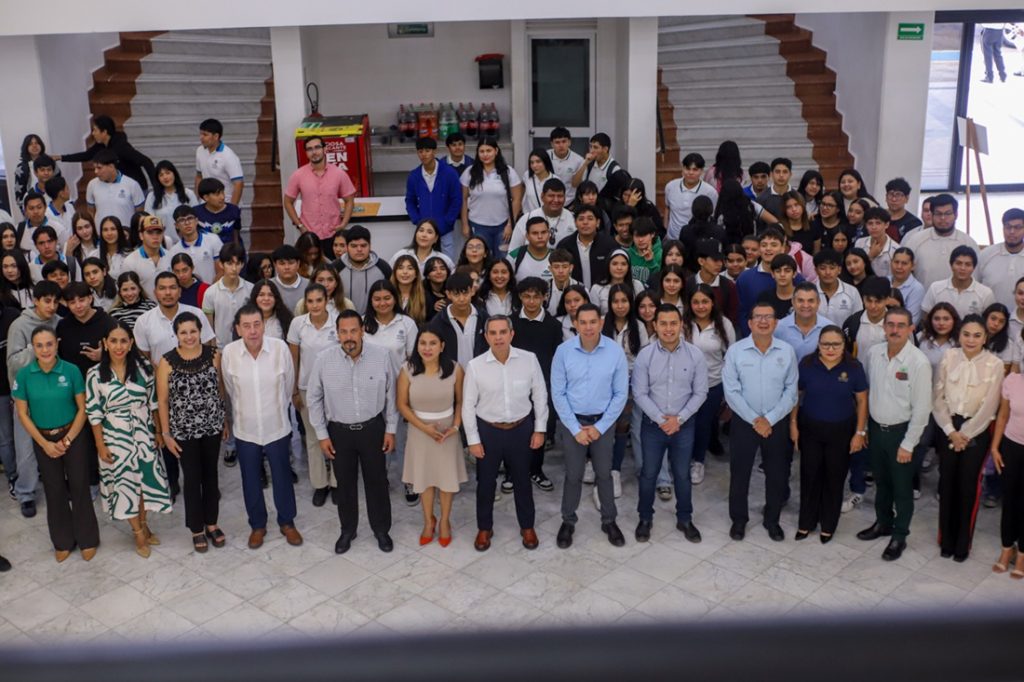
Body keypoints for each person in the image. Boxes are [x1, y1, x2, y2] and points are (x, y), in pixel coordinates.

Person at [307, 309, 398, 554]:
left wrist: (390, 429)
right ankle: (348, 530)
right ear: (337, 334)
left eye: (353, 331)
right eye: (344, 332)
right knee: (345, 484)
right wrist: (322, 435)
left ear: (362, 331)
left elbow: (392, 395)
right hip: (339, 432)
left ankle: (381, 529)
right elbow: (313, 398)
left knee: (377, 482)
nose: (349, 337)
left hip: (373, 429)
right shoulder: (323, 360)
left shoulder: (382, 356)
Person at [461, 316, 548, 551]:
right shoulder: (475, 366)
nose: (498, 337)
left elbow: (540, 395)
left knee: (522, 481)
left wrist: (540, 429)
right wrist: (473, 440)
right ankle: (484, 528)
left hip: (521, 429)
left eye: (502, 332)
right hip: (488, 431)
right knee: (485, 483)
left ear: (511, 334)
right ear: (486, 336)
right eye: (493, 333)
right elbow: (467, 406)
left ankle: (527, 526)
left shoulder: (529, 360)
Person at [13, 327, 98, 562]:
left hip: (73, 434)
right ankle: (62, 541)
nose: (45, 350)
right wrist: (44, 444)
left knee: (79, 486)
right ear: (33, 348)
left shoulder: (71, 370)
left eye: (49, 344)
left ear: (57, 344)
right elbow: (22, 414)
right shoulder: (25, 375)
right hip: (43, 439)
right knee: (54, 488)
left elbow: (83, 408)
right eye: (39, 345)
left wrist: (68, 439)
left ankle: (88, 539)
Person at [86, 321, 171, 558]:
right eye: (113, 341)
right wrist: (100, 444)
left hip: (143, 434)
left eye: (123, 341)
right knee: (125, 486)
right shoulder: (95, 374)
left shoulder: (144, 368)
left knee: (144, 483)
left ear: (131, 343)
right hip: (115, 438)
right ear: (105, 343)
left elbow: (154, 402)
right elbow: (94, 413)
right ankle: (138, 533)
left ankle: (144, 523)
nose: (119, 346)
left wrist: (158, 432)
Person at [221, 304, 302, 549]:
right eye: (246, 326)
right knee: (251, 480)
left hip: (276, 426)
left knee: (282, 476)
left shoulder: (279, 349)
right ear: (238, 329)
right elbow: (230, 389)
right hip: (246, 430)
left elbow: (288, 386)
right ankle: (258, 525)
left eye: (257, 324)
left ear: (264, 325)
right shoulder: (229, 353)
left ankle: (287, 522)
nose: (253, 331)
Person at [856, 307, 932, 561]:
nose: (895, 330)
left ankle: (900, 535)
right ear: (884, 327)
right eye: (890, 324)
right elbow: (868, 392)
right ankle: (883, 523)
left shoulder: (918, 362)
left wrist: (909, 444)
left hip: (902, 433)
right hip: (877, 430)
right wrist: (865, 428)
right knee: (882, 482)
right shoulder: (874, 353)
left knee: (902, 488)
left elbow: (922, 408)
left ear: (911, 328)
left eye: (901, 325)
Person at [551, 303, 629, 549]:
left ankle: (609, 520)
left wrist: (600, 427)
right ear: (575, 324)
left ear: (601, 322)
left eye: (592, 322)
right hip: (572, 422)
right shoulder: (563, 352)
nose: (588, 327)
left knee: (604, 473)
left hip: (602, 423)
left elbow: (620, 394)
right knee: (573, 475)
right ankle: (568, 521)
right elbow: (558, 393)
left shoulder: (615, 352)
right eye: (582, 322)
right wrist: (575, 429)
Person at [722, 301, 799, 541]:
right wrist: (755, 419)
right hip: (745, 422)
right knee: (740, 473)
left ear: (776, 323)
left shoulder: (786, 351)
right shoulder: (736, 351)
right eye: (758, 317)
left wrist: (770, 419)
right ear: (749, 322)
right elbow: (731, 392)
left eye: (768, 317)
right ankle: (739, 520)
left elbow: (791, 391)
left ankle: (772, 520)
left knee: (777, 474)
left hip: (776, 423)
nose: (763, 321)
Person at [632, 303, 708, 542]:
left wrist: (679, 419)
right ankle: (645, 518)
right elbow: (639, 393)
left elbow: (701, 392)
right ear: (655, 325)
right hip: (652, 426)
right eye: (663, 323)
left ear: (681, 325)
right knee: (648, 473)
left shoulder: (695, 355)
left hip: (684, 426)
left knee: (682, 474)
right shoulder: (645, 355)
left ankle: (685, 519)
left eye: (673, 323)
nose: (668, 329)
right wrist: (660, 419)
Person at [932, 314, 1002, 561]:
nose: (971, 340)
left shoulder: (995, 364)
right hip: (948, 426)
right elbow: (937, 397)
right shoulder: (949, 357)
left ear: (985, 338)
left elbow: (990, 405)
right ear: (959, 335)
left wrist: (965, 434)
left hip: (977, 430)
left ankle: (963, 543)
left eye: (977, 335)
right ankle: (946, 539)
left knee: (968, 486)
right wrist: (951, 431)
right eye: (966, 334)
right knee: (947, 482)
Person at [156, 313, 227, 553]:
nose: (189, 337)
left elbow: (220, 389)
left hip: (212, 427)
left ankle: (212, 523)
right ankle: (196, 528)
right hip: (183, 432)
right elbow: (162, 400)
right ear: (176, 335)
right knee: (192, 478)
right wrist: (166, 434)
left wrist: (224, 420)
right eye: (183, 332)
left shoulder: (214, 355)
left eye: (193, 331)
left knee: (211, 475)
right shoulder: (167, 361)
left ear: (200, 331)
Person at [789, 326, 867, 543]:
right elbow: (796, 395)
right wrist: (793, 424)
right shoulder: (807, 364)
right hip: (810, 428)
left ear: (844, 346)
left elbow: (862, 400)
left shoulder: (854, 367)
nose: (830, 349)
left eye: (836, 344)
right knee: (809, 475)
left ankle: (828, 525)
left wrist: (860, 432)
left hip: (841, 430)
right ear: (819, 345)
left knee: (834, 477)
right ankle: (806, 522)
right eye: (825, 344)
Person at [398, 328, 466, 547]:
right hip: (420, 432)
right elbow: (402, 404)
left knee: (446, 481)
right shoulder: (407, 370)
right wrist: (424, 428)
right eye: (422, 343)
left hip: (447, 434)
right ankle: (429, 521)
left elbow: (460, 401)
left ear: (442, 346)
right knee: (424, 480)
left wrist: (455, 426)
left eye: (432, 343)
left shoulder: (455, 369)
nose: (427, 348)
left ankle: (445, 521)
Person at [6, 281, 61, 518]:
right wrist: (36, 348)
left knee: (59, 442)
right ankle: (26, 493)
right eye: (47, 301)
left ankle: (59, 485)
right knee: (26, 448)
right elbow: (13, 363)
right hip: (27, 397)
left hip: (56, 394)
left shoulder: (59, 322)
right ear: (36, 301)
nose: (52, 306)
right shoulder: (19, 325)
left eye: (55, 301)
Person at [684, 283, 735, 485]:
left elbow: (730, 357)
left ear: (712, 303)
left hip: (712, 384)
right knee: (686, 423)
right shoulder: (683, 323)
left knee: (703, 424)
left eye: (705, 301)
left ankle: (698, 461)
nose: (700, 306)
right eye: (695, 302)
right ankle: (683, 458)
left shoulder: (724, 324)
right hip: (685, 385)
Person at [284, 134, 357, 251]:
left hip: (333, 234)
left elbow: (349, 200)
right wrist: (300, 225)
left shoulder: (339, 173)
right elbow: (287, 202)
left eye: (317, 147)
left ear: (325, 149)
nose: (314, 152)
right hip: (309, 235)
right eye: (309, 149)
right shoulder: (298, 175)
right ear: (306, 153)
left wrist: (343, 224)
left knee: (334, 263)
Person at [57, 115, 155, 193]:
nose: (93, 133)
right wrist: (60, 157)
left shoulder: (121, 147)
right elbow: (86, 155)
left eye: (95, 130)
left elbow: (146, 161)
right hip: (120, 188)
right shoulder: (101, 145)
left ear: (104, 132)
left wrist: (157, 189)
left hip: (136, 188)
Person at [460, 137, 523, 257]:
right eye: (482, 151)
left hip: (502, 226)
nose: (485, 155)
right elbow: (463, 199)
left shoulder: (508, 172)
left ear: (496, 151)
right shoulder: (469, 172)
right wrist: (465, 224)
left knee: (502, 260)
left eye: (489, 151)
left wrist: (510, 224)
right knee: (480, 259)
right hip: (477, 225)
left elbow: (516, 199)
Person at [902, 194, 980, 290]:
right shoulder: (915, 241)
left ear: (956, 215)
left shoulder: (968, 243)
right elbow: (903, 274)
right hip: (922, 298)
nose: (943, 218)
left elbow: (975, 280)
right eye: (938, 214)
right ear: (932, 215)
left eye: (948, 213)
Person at [990, 365, 1024, 577]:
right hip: (1011, 447)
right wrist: (995, 447)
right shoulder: (1012, 380)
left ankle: (1022, 554)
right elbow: (1003, 415)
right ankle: (1006, 548)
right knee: (1009, 500)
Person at [427, 271, 489, 368]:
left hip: (480, 373)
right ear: (448, 294)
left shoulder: (484, 318)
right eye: (456, 294)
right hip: (449, 374)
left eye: (465, 293)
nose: (461, 299)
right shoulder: (438, 322)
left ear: (472, 291)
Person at [921, 245, 995, 319]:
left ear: (974, 268)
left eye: (968, 264)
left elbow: (989, 321)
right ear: (951, 265)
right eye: (958, 263)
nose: (963, 268)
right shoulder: (935, 288)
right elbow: (926, 317)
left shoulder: (985, 293)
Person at [334, 225, 392, 315]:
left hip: (374, 320)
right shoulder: (335, 268)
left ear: (370, 246)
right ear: (347, 247)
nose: (359, 249)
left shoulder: (383, 267)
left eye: (363, 245)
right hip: (343, 320)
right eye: (354, 246)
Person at [508, 178, 576, 252]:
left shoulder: (573, 219)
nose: (556, 200)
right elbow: (512, 251)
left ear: (565, 198)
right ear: (542, 197)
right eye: (551, 196)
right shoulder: (527, 218)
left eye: (560, 196)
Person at [557, 206, 617, 290]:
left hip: (603, 293)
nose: (585, 222)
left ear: (598, 222)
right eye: (581, 219)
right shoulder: (564, 245)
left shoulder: (610, 244)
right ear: (575, 223)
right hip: (573, 293)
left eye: (590, 219)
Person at [977, 208, 1024, 312]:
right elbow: (974, 286)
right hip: (991, 319)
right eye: (1008, 227)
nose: (1012, 232)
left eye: (1017, 227)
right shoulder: (986, 255)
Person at [571, 133, 631, 215]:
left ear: (605, 149)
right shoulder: (589, 163)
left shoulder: (614, 169)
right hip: (587, 208)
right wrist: (585, 164)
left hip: (604, 211)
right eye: (591, 147)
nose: (591, 151)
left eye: (595, 147)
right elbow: (574, 184)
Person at [664, 153, 720, 241]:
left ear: (701, 171)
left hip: (696, 241)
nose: (690, 173)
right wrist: (665, 231)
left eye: (695, 169)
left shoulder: (710, 192)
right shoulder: (670, 186)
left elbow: (711, 216)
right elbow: (667, 208)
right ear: (682, 168)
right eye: (687, 168)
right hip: (672, 239)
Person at [85, 150, 145, 226]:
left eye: (99, 168)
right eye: (95, 168)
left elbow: (140, 213)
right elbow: (90, 211)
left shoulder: (132, 185)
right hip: (101, 232)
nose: (96, 171)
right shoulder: (92, 184)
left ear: (111, 166)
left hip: (126, 232)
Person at [168, 205, 222, 286]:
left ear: (196, 221)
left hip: (214, 289)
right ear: (176, 225)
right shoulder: (174, 251)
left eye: (190, 218)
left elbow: (221, 271)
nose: (187, 223)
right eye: (182, 220)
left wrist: (209, 291)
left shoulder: (213, 240)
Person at [121, 216, 174, 299]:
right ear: (141, 235)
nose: (155, 236)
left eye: (158, 232)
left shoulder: (171, 256)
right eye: (150, 232)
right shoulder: (130, 262)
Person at [194, 118, 244, 205]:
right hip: (206, 204)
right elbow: (199, 176)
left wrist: (232, 209)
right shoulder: (199, 151)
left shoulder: (228, 155)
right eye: (200, 134)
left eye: (205, 135)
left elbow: (238, 184)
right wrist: (196, 201)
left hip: (225, 203)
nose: (201, 137)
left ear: (216, 136)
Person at [145, 160, 199, 234]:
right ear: (158, 179)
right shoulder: (152, 197)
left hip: (187, 239)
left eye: (168, 173)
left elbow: (196, 217)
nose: (165, 177)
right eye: (161, 175)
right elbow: (149, 222)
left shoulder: (188, 193)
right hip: (163, 240)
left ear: (174, 174)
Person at [814, 248, 862, 324]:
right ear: (816, 270)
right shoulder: (809, 292)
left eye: (832, 268)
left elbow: (858, 320)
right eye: (823, 268)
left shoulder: (852, 292)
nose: (828, 272)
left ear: (839, 270)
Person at [194, 178, 243, 247]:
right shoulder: (196, 212)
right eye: (217, 194)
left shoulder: (233, 210)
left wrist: (237, 250)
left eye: (223, 192)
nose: (222, 197)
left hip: (229, 251)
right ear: (206, 197)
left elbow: (236, 233)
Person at [855, 207, 899, 277]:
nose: (874, 227)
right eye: (870, 223)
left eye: (878, 223)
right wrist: (870, 256)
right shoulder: (859, 243)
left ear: (886, 225)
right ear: (866, 225)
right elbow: (855, 270)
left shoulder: (896, 249)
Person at [547, 127, 585, 205]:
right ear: (552, 144)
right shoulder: (545, 157)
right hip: (548, 202)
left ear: (569, 142)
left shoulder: (579, 160)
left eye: (564, 141)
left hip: (570, 203)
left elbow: (578, 185)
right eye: (557, 142)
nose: (561, 145)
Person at [888, 247, 925, 326]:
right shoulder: (884, 281)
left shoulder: (916, 288)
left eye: (904, 263)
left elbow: (911, 321)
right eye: (896, 262)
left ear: (912, 266)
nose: (899, 267)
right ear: (891, 262)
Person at [756, 157, 794, 223]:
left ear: (790, 174)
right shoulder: (762, 198)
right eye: (777, 172)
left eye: (785, 172)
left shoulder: (797, 196)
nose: (781, 175)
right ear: (771, 174)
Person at [628, 218, 662, 287]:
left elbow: (659, 281)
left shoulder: (661, 254)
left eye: (644, 235)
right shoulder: (628, 254)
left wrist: (651, 262)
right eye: (637, 236)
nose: (640, 240)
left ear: (652, 234)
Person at [521, 148, 555, 215]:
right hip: (529, 216)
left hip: (548, 217)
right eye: (532, 162)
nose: (534, 165)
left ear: (545, 162)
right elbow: (522, 189)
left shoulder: (555, 179)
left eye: (538, 162)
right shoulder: (527, 175)